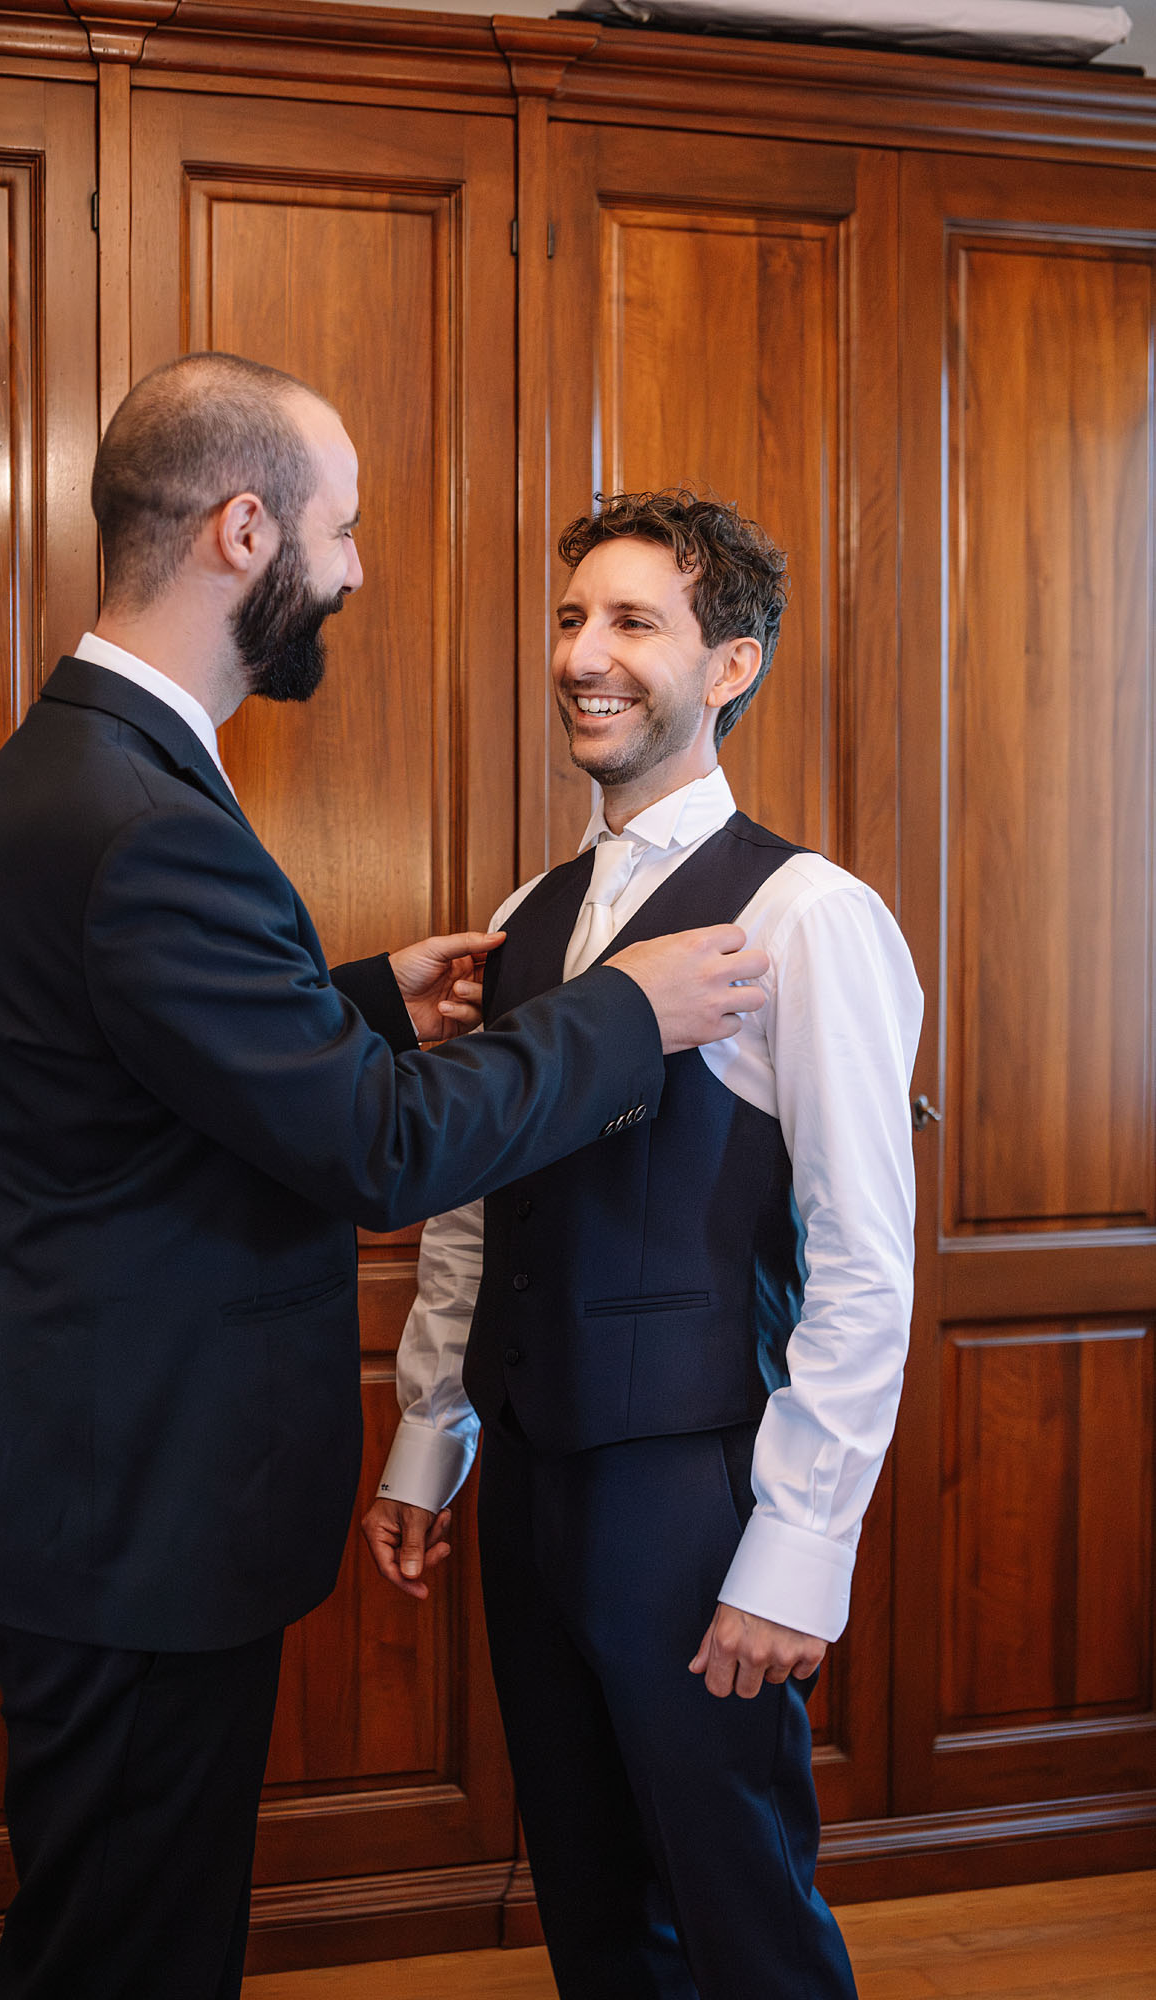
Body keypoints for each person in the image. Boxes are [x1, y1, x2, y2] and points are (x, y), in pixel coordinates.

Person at [0, 361, 770, 2000]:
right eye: (343, 525)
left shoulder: (85, 770)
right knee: (128, 1953)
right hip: (132, 1514)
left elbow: (161, 1065)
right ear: (247, 532)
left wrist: (369, 1001)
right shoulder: (139, 813)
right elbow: (374, 1148)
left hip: (92, 1490)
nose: (359, 568)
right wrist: (624, 1013)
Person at [363, 489, 923, 1999]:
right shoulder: (523, 913)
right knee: (588, 1892)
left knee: (737, 1894)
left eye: (630, 622)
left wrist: (796, 1557)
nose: (582, 656)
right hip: (531, 1479)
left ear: (727, 666)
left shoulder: (812, 916)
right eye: (568, 619)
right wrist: (431, 1438)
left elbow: (863, 1258)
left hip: (694, 1493)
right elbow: (472, 1209)